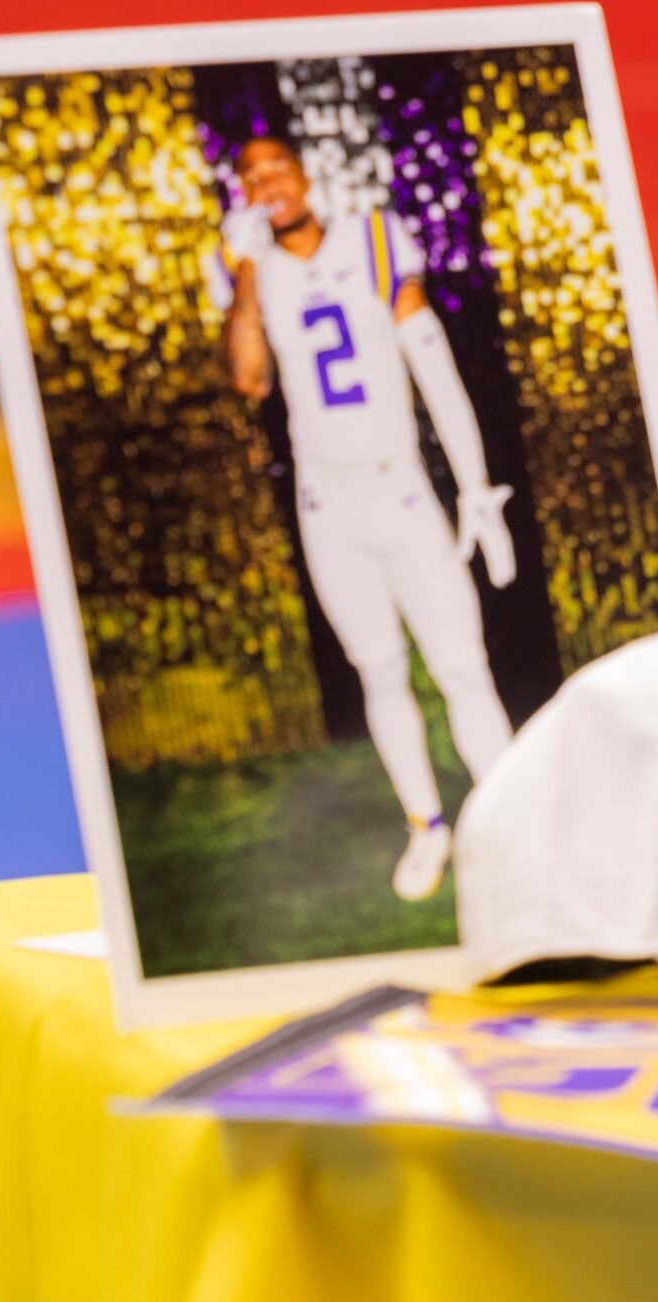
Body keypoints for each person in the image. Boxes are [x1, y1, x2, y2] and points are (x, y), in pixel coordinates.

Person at [210, 135, 519, 898]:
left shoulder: (374, 237)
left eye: (277, 167)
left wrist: (473, 485)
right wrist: (245, 272)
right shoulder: (241, 264)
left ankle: (519, 821)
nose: (267, 183)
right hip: (328, 505)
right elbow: (248, 380)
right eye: (251, 176)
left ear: (305, 175)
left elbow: (433, 364)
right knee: (378, 670)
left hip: (402, 489)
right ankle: (426, 825)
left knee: (460, 667)